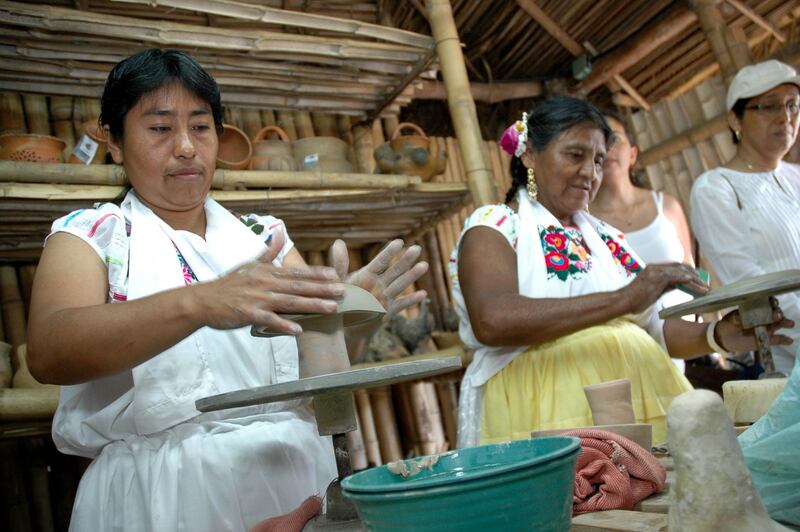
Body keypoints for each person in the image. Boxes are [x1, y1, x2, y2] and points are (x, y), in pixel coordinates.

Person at [26, 49, 428, 531]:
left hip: (294, 479)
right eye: (159, 128)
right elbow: (49, 352)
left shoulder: (264, 238)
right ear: (113, 140)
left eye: (200, 127)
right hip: (165, 497)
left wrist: (348, 321)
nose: (186, 147)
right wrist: (201, 301)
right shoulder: (93, 235)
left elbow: (317, 385)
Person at [451, 96, 791, 448]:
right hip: (543, 408)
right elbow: (492, 320)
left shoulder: (606, 239)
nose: (590, 172)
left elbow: (653, 327)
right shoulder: (494, 226)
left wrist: (717, 334)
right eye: (575, 155)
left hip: (636, 401)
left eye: (598, 160)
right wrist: (625, 298)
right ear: (530, 155)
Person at [691, 59, 800, 375]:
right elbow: (751, 285)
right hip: (786, 362)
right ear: (734, 119)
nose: (785, 117)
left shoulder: (797, 176)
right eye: (768, 107)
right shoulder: (715, 188)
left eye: (793, 105)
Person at [591, 111, 695, 372]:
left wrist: (698, 332)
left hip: (677, 350)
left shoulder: (667, 206)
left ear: (634, 154)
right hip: (616, 357)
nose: (608, 147)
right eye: (598, 138)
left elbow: (692, 274)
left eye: (614, 138)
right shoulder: (580, 222)